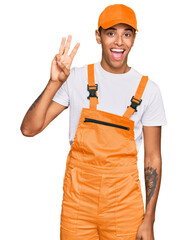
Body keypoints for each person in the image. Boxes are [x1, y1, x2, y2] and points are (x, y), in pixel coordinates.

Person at [20, 3, 167, 240]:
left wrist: (149, 219)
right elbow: (29, 128)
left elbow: (153, 157)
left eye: (126, 34)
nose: (119, 41)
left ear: (134, 39)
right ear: (98, 36)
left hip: (124, 208)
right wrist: (54, 83)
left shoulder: (149, 91)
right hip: (78, 206)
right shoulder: (75, 78)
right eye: (111, 33)